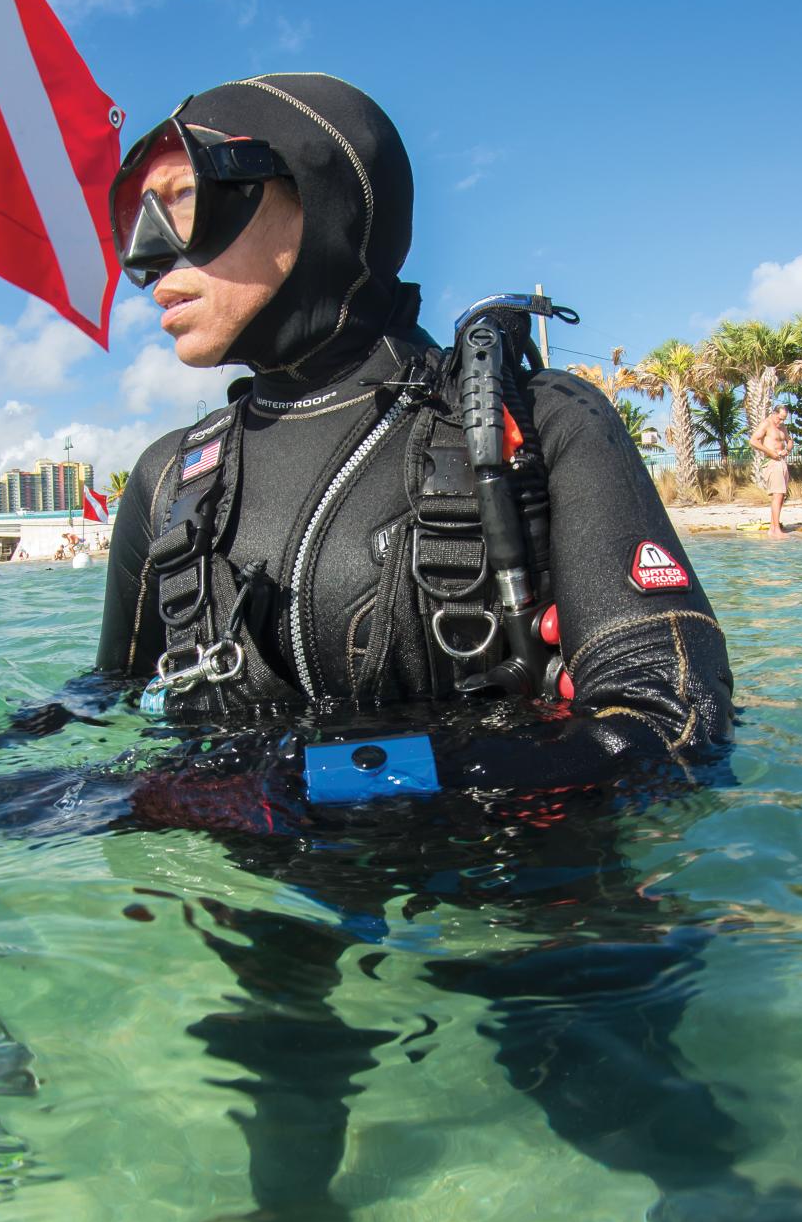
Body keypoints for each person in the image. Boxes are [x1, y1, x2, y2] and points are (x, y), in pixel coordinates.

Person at [97, 73, 734, 788]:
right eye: (133, 215)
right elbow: (102, 709)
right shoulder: (170, 483)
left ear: (319, 188)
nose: (149, 257)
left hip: (500, 886)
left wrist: (314, 785)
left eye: (183, 200)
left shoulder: (535, 422)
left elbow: (676, 727)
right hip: (248, 896)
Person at [751, 403, 793, 538]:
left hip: (781, 462)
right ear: (774, 413)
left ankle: (772, 527)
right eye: (780, 418)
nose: (781, 421)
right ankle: (776, 530)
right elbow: (753, 441)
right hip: (771, 462)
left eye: (784, 419)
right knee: (778, 494)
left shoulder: (782, 427)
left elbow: (789, 440)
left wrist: (787, 450)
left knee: (781, 496)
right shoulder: (766, 424)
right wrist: (770, 453)